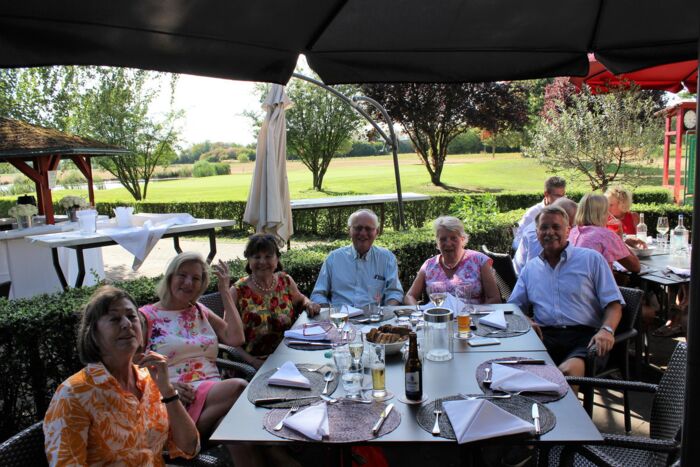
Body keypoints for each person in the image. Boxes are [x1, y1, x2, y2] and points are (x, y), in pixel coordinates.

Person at [43, 286, 199, 466]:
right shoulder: (74, 395)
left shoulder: (149, 379)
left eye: (132, 317)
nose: (126, 324)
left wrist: (168, 391)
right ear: (93, 334)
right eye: (114, 319)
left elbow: (190, 447)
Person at [140, 252, 260, 466]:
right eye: (182, 275)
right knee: (239, 388)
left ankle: (187, 440)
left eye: (195, 278)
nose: (188, 282)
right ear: (170, 276)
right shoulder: (146, 317)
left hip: (213, 396)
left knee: (232, 428)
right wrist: (165, 388)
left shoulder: (198, 309)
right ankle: (183, 437)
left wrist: (225, 291)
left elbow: (235, 338)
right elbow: (131, 367)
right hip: (177, 401)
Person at [508, 205, 624, 377]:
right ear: (537, 233)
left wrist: (607, 330)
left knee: (567, 373)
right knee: (513, 371)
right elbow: (513, 307)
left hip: (586, 338)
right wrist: (525, 320)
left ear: (568, 230)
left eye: (556, 227)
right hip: (544, 337)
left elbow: (614, 304)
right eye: (544, 228)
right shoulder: (530, 269)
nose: (550, 232)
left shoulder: (591, 260)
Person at [231, 233, 321, 368]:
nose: (262, 262)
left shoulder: (285, 281)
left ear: (277, 259)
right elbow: (227, 338)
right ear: (248, 260)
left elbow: (301, 299)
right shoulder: (238, 291)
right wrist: (253, 362)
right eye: (257, 257)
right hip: (252, 365)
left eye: (268, 256)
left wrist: (309, 304)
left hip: (289, 356)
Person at [311, 209, 404, 307]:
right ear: (349, 231)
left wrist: (387, 310)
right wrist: (330, 312)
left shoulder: (387, 258)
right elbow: (318, 294)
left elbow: (395, 293)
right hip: (341, 315)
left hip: (375, 315)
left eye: (368, 229)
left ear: (377, 232)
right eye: (358, 228)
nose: (363, 233)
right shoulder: (334, 258)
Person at [404, 216, 501, 305]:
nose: (448, 243)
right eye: (443, 239)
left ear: (462, 239)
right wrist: (418, 313)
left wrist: (476, 314)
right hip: (438, 317)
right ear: (437, 242)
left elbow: (494, 298)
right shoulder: (429, 265)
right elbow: (410, 296)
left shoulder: (479, 261)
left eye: (453, 238)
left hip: (469, 317)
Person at [569, 193, 641, 274]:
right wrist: (619, 240)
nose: (609, 214)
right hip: (594, 282)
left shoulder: (573, 232)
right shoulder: (605, 235)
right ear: (602, 213)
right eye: (607, 210)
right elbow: (636, 267)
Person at [513, 197, 577, 275]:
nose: (573, 229)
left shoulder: (539, 225)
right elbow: (536, 273)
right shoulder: (542, 237)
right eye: (572, 225)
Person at [512, 176, 567, 249]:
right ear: (546, 194)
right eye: (558, 196)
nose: (562, 199)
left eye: (563, 196)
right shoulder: (533, 213)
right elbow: (517, 242)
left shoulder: (566, 212)